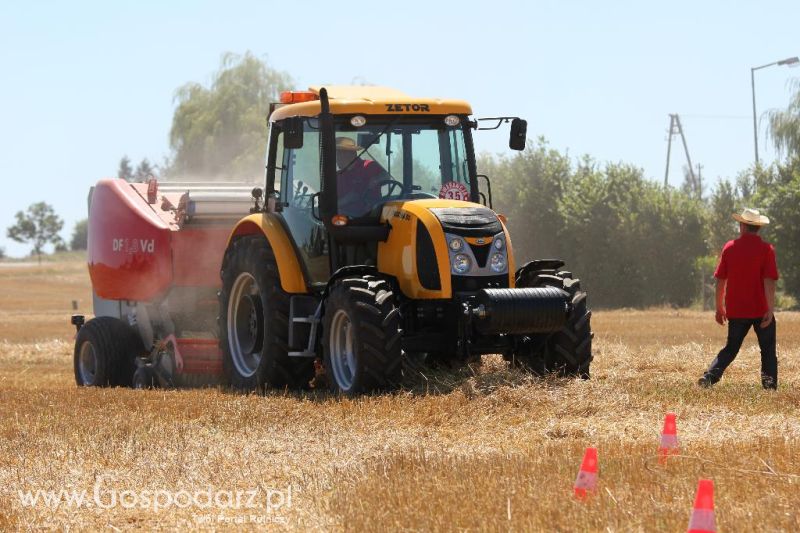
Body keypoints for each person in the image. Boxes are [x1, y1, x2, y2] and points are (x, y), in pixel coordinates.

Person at [698, 208, 779, 390]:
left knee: (731, 349)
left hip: (737, 310)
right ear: (758, 227)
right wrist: (770, 310)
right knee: (767, 351)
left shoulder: (729, 248)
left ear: (742, 226)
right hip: (760, 309)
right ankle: (770, 387)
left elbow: (720, 281)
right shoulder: (767, 250)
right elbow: (769, 282)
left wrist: (719, 308)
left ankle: (709, 378)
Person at [335, 136, 386, 217]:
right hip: (344, 220)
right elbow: (330, 205)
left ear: (352, 153)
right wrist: (347, 199)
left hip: (371, 218)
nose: (336, 158)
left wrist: (376, 179)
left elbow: (386, 176)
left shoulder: (369, 166)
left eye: (339, 154)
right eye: (336, 154)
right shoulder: (336, 177)